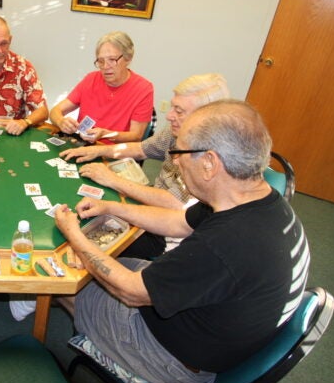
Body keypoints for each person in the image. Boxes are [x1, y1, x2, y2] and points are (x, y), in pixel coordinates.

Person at [54, 100, 310, 383]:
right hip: (209, 324)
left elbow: (132, 292)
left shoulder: (228, 244)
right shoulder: (248, 197)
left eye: (181, 153)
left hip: (174, 360)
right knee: (105, 265)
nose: (174, 160)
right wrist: (111, 208)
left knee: (64, 279)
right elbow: (177, 222)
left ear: (210, 163)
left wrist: (75, 237)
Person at [59, 73, 230, 258]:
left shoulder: (207, 159)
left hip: (165, 235)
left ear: (204, 117)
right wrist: (98, 151)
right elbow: (142, 149)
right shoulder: (177, 131)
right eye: (173, 107)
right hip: (150, 209)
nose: (170, 116)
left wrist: (111, 179)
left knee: (80, 246)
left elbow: (175, 203)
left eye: (179, 111)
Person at [50, 31, 154, 144]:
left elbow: (136, 136)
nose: (105, 67)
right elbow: (55, 111)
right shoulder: (90, 79)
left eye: (112, 60)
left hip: (113, 153)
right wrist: (61, 121)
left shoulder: (143, 88)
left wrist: (105, 134)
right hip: (82, 145)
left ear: (128, 58)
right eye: (101, 61)